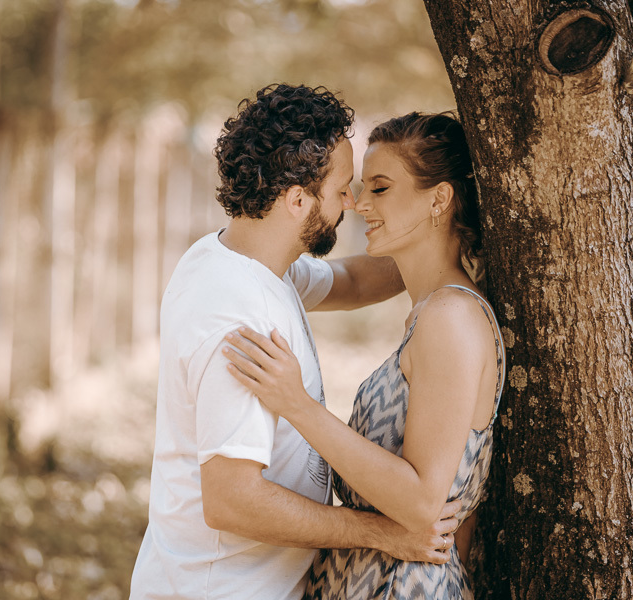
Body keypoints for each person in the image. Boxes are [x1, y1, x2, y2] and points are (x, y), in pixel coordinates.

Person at [129, 87, 461, 600]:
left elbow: (353, 282)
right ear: (298, 200)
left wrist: (434, 236)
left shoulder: (240, 259)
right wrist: (382, 533)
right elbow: (233, 500)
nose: (351, 202)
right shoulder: (239, 318)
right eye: (342, 189)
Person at [224, 111, 506, 599]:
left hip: (401, 584)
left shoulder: (451, 319)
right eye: (358, 188)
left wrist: (298, 406)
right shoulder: (429, 301)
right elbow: (350, 281)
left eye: (380, 188)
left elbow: (422, 503)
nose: (357, 204)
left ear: (440, 198)